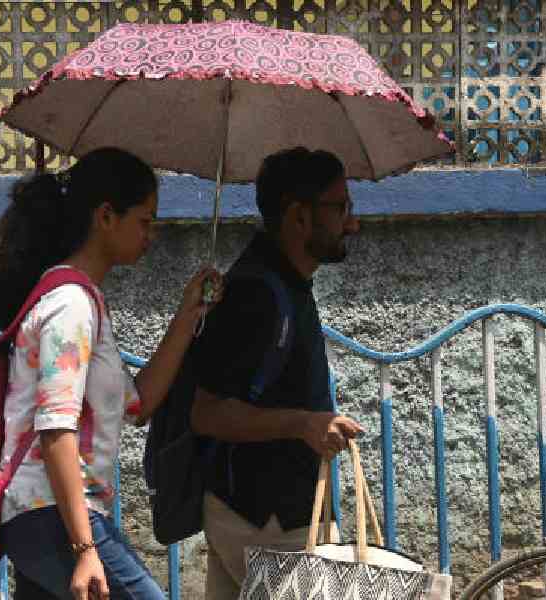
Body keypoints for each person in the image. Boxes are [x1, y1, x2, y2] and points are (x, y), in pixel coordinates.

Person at [0, 147, 221, 600]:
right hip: (51, 514)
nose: (151, 236)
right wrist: (86, 548)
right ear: (106, 216)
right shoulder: (69, 305)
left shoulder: (83, 300)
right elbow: (56, 431)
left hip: (51, 517)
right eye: (145, 220)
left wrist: (190, 313)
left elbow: (139, 403)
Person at [190, 146, 364, 599]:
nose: (352, 222)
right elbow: (207, 413)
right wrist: (305, 424)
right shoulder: (258, 296)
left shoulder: (285, 284)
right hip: (264, 519)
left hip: (262, 515)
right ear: (298, 217)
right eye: (340, 207)